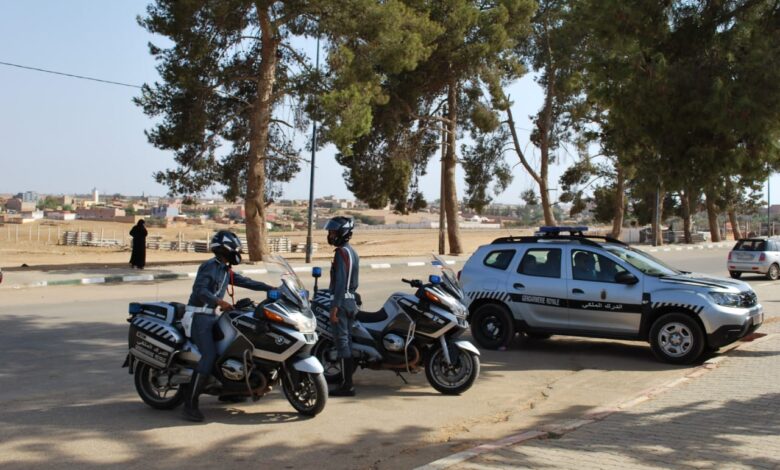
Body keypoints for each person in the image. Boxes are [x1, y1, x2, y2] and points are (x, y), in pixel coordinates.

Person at [182, 230, 273, 422]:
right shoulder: (209, 266)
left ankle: (230, 390)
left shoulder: (225, 269)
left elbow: (245, 282)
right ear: (224, 250)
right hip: (198, 316)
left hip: (211, 315)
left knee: (230, 348)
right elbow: (200, 290)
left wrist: (271, 288)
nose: (237, 252)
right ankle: (190, 404)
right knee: (209, 355)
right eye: (235, 249)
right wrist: (219, 302)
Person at [326, 216, 360, 397]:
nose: (330, 235)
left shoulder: (341, 253)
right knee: (348, 343)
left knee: (342, 344)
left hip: (341, 304)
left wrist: (334, 308)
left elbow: (340, 283)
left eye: (333, 232)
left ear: (342, 233)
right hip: (350, 302)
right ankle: (347, 383)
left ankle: (347, 386)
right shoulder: (352, 252)